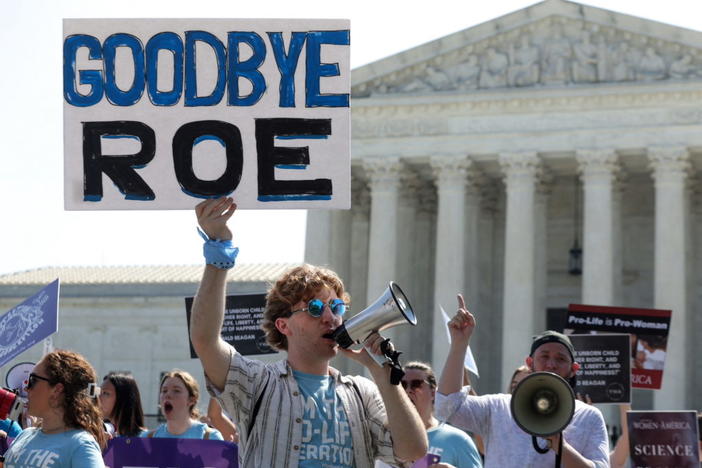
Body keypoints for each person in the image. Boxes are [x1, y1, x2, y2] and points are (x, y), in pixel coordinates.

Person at [189, 197, 427, 468]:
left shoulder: (363, 393)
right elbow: (204, 340)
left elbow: (413, 451)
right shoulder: (258, 383)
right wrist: (219, 251)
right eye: (314, 308)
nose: (330, 317)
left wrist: (385, 378)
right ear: (284, 325)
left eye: (336, 306)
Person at [436, 294, 609, 468]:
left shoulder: (588, 416)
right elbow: (446, 407)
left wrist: (560, 445)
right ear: (529, 363)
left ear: (574, 369)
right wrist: (459, 344)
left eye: (561, 359)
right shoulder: (498, 407)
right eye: (544, 356)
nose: (551, 364)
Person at [2, 350, 106, 468]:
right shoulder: (25, 435)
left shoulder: (80, 444)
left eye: (32, 380)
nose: (26, 389)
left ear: (56, 390)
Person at [402, 361, 482, 468]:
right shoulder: (382, 435)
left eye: (416, 384)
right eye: (402, 385)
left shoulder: (458, 440)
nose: (408, 390)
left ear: (433, 393)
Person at [142, 370, 223, 440]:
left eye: (176, 391)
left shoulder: (210, 438)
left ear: (192, 400)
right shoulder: (147, 439)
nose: (167, 395)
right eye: (164, 391)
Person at [99, 372, 147, 437]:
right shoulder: (105, 437)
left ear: (123, 398)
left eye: (106, 393)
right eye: (99, 392)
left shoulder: (144, 438)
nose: (98, 397)